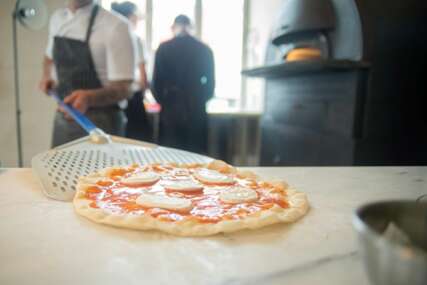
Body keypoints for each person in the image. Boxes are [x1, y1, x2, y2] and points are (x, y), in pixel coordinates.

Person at [39, 0, 135, 147]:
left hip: (102, 125)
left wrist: (89, 98)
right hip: (63, 118)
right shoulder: (56, 18)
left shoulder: (116, 25)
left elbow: (125, 88)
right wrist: (47, 76)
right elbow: (48, 57)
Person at [152, 15, 215, 154]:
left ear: (173, 27)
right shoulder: (204, 49)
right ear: (191, 28)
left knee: (168, 156)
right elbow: (211, 86)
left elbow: (156, 84)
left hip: (170, 108)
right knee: (196, 156)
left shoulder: (163, 48)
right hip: (196, 109)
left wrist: (164, 101)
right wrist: (198, 99)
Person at [111, 1, 152, 142]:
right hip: (133, 98)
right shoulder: (134, 39)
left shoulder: (111, 37)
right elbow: (143, 77)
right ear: (130, 17)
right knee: (138, 141)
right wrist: (144, 89)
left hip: (113, 99)